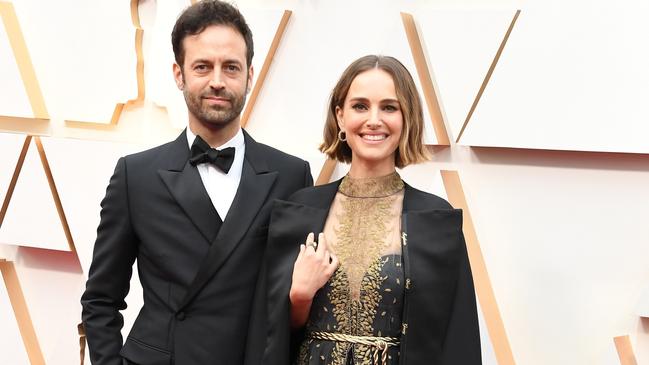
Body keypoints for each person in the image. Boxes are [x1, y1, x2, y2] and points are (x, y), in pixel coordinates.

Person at [80, 1, 312, 364]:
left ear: (250, 75)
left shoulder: (291, 175)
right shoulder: (135, 176)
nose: (217, 81)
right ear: (179, 74)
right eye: (202, 66)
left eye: (231, 67)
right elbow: (100, 300)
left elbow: (293, 300)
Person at [261, 55, 481, 364]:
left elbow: (458, 339)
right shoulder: (299, 209)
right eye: (360, 106)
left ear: (407, 118)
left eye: (389, 107)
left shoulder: (436, 221)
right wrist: (299, 294)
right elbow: (268, 334)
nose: (374, 119)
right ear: (340, 116)